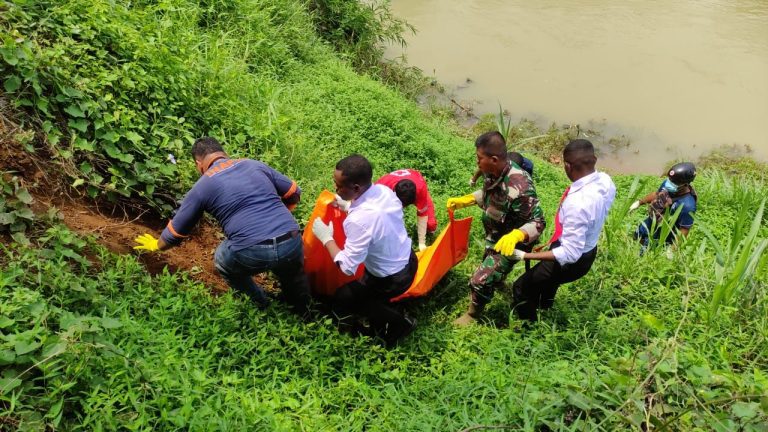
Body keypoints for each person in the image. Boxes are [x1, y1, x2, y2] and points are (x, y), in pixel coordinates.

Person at [133, 137, 312, 317]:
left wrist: (157, 245)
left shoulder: (202, 186)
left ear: (198, 163)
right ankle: (302, 310)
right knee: (293, 272)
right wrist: (279, 215)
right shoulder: (253, 164)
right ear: (223, 153)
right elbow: (294, 192)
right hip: (291, 239)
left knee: (222, 259)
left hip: (252, 251)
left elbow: (175, 233)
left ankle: (261, 303)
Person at [311, 154, 418, 346]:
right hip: (407, 259)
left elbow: (347, 267)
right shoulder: (384, 191)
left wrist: (326, 238)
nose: (336, 189)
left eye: (339, 185)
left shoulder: (359, 220)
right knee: (350, 294)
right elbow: (374, 218)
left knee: (357, 302)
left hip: (391, 278)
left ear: (356, 188)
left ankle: (401, 324)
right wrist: (346, 205)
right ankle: (379, 314)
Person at [508, 139, 616, 322]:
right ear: (594, 159)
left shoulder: (578, 203)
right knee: (550, 281)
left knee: (521, 287)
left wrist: (524, 256)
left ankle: (528, 330)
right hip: (589, 249)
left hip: (574, 259)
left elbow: (570, 253)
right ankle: (544, 306)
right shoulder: (605, 181)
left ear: (567, 166)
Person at [448, 131, 546, 326]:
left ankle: (473, 315)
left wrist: (518, 234)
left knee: (479, 280)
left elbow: (538, 222)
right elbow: (489, 193)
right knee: (489, 265)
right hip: (496, 234)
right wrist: (468, 200)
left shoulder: (521, 187)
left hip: (512, 242)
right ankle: (497, 280)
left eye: (479, 158)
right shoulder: (491, 171)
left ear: (494, 159)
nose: (477, 163)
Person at [630, 162, 697, 252]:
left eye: (674, 182)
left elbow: (684, 229)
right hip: (652, 220)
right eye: (670, 179)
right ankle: (634, 247)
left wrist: (672, 249)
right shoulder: (668, 183)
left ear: (685, 184)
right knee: (637, 235)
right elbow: (657, 194)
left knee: (646, 250)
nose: (669, 183)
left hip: (663, 232)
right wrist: (639, 202)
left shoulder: (687, 206)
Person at [375, 169, 437, 251]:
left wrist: (422, 243)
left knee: (431, 224)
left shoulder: (420, 189)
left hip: (415, 177)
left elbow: (422, 215)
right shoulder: (381, 188)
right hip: (389, 187)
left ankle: (430, 235)